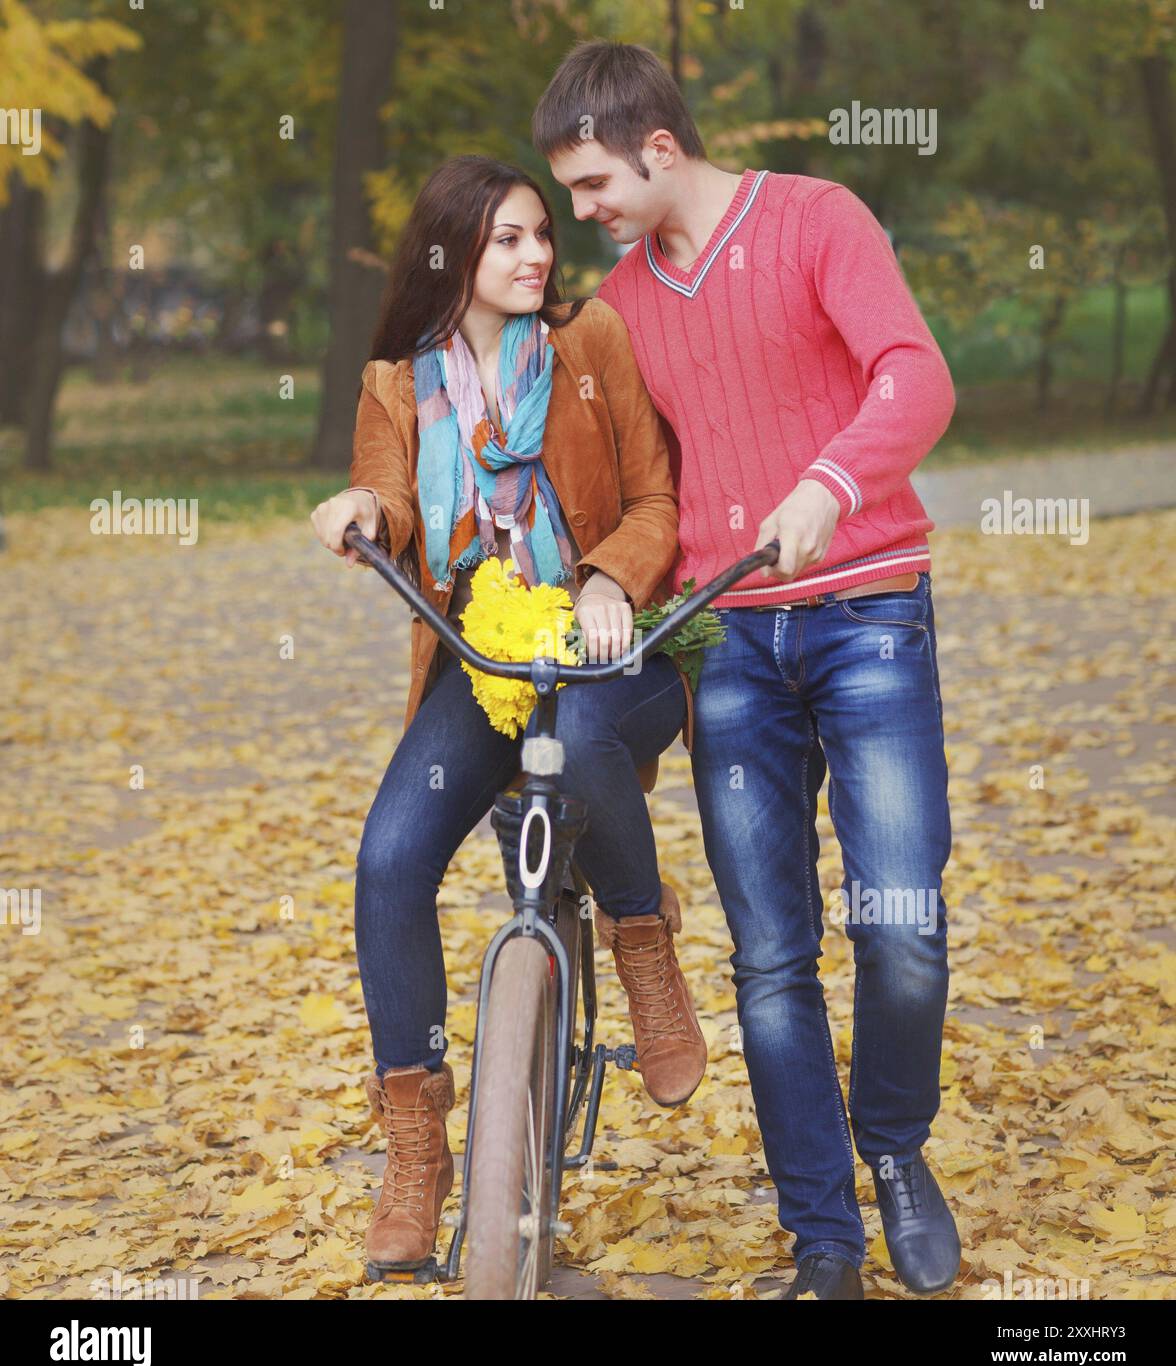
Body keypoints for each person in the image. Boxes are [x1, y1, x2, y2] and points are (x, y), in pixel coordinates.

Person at [534, 41, 961, 1301]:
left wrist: (833, 483)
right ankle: (822, 1239)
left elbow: (916, 374)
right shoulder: (620, 307)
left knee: (905, 925)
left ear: (659, 149)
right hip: (726, 639)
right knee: (771, 956)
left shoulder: (819, 221)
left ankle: (893, 1151)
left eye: (597, 182)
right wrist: (608, 576)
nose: (585, 211)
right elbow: (640, 487)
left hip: (868, 607)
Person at [310, 155, 708, 1277]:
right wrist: (357, 511)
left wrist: (605, 581)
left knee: (579, 736)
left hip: (605, 653)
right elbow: (392, 504)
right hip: (482, 665)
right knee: (389, 859)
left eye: (543, 234)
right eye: (509, 240)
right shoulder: (397, 385)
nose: (538, 255)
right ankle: (417, 1152)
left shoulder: (591, 349)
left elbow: (655, 497)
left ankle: (642, 943)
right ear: (453, 255)